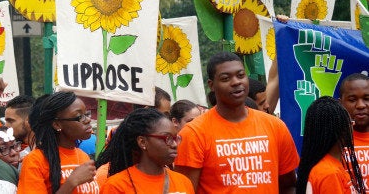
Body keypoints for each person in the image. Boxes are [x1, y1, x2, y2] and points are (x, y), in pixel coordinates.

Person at [174, 52, 299, 193]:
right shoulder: (193, 134)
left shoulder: (275, 126)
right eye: (226, 78)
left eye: (240, 75)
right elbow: (184, 190)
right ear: (212, 85)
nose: (236, 82)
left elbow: (289, 186)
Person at [17, 91, 99, 194]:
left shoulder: (83, 156)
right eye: (79, 116)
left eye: (86, 114)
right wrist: (71, 183)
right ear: (57, 124)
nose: (87, 120)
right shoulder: (35, 160)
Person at [96, 108, 194, 193]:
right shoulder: (116, 186)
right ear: (142, 142)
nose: (174, 144)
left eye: (176, 138)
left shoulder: (184, 182)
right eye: (167, 138)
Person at [296, 96, 365, 193]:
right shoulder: (330, 173)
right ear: (341, 129)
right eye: (350, 123)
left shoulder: (326, 166)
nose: (352, 127)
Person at [339, 72, 369, 191]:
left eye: (367, 99)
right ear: (341, 103)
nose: (361, 105)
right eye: (352, 100)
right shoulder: (333, 143)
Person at [4, 95, 35, 159]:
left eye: (10, 121)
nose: (6, 125)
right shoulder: (3, 151)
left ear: (29, 121)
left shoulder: (46, 151)